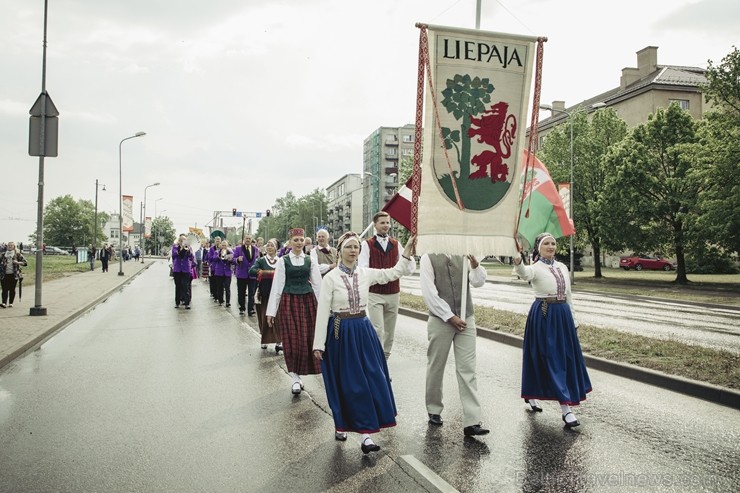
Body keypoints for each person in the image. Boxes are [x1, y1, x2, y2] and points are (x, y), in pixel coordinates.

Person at [313, 232, 417, 454]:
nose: (353, 251)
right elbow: (323, 312)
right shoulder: (330, 278)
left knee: (370, 379)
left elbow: (394, 273)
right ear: (340, 250)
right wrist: (318, 344)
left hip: (363, 330)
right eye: (349, 247)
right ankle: (341, 423)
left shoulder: (365, 273)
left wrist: (406, 249)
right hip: (341, 333)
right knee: (347, 383)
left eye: (356, 247)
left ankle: (366, 435)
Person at [513, 233, 592, 427]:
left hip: (563, 315)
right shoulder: (535, 268)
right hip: (544, 315)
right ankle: (566, 409)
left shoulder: (562, 267)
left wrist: (574, 320)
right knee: (546, 358)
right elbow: (524, 273)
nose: (550, 246)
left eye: (553, 243)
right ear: (538, 247)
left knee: (565, 358)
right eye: (546, 243)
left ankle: (541, 396)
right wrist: (517, 260)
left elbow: (569, 296)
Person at [420, 252, 490, 438]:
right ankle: (434, 409)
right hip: (441, 319)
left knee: (468, 369)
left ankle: (472, 420)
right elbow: (429, 293)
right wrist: (449, 316)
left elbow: (478, 282)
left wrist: (474, 264)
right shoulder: (428, 257)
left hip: (466, 318)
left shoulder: (464, 254)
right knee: (437, 365)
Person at [266, 228, 322, 395]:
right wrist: (271, 311)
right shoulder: (283, 261)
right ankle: (295, 378)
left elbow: (318, 285)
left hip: (307, 302)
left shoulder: (309, 260)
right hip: (289, 302)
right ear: (290, 243)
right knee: (292, 340)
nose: (299, 243)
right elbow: (277, 286)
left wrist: (326, 309)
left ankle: (318, 372)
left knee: (309, 339)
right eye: (295, 240)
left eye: (301, 240)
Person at [359, 211, 412, 361]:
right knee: (378, 329)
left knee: (390, 330)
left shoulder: (396, 244)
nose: (386, 225)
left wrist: (410, 257)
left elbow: (408, 267)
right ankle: (377, 358)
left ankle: (385, 357)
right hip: (375, 293)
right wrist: (384, 276)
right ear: (375, 225)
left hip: (393, 292)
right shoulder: (367, 244)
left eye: (388, 222)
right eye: (382, 223)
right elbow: (364, 269)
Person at [249, 239, 282, 352]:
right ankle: (264, 340)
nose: (269, 247)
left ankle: (279, 341)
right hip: (264, 293)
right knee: (264, 316)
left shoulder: (281, 261)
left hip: (278, 294)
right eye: (267, 245)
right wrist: (263, 273)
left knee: (278, 318)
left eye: (271, 245)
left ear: (276, 248)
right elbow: (251, 271)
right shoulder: (261, 260)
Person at [233, 234, 259, 315]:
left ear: (251, 239)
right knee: (241, 292)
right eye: (246, 238)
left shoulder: (256, 249)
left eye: (249, 238)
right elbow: (233, 259)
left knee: (252, 292)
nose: (248, 240)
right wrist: (237, 259)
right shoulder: (238, 249)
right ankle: (242, 308)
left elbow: (257, 260)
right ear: (244, 239)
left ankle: (250, 309)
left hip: (252, 274)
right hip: (241, 274)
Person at [1, 242, 27, 308]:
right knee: (4, 289)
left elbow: (25, 263)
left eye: (11, 245)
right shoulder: (3, 254)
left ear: (14, 246)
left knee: (12, 289)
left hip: (14, 274)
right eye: (9, 245)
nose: (10, 246)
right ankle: (4, 303)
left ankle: (11, 303)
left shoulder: (17, 254)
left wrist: (17, 262)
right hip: (4, 274)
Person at [172, 234, 195, 309]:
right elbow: (174, 255)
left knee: (185, 285)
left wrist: (188, 251)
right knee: (178, 286)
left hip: (186, 269)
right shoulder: (175, 247)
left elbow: (191, 257)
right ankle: (177, 302)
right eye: (181, 240)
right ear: (179, 241)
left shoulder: (189, 247)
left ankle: (187, 303)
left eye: (184, 240)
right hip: (177, 269)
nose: (183, 242)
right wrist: (181, 249)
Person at [213, 240, 233, 307]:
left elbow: (233, 261)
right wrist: (219, 255)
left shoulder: (230, 252)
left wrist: (230, 258)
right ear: (220, 245)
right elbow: (214, 259)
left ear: (227, 246)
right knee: (220, 287)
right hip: (219, 272)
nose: (224, 246)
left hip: (227, 272)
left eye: (225, 245)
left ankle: (228, 302)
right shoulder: (217, 252)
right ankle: (220, 300)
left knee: (227, 287)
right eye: (223, 245)